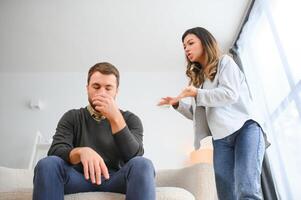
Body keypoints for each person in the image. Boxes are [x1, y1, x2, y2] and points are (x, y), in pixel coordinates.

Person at [158, 27, 267, 200]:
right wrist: (177, 104)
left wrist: (196, 94)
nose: (186, 49)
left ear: (205, 42)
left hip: (245, 130)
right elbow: (196, 115)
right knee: (226, 195)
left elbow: (229, 94)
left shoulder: (225, 62)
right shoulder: (199, 81)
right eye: (184, 46)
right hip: (221, 140)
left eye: (190, 43)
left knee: (247, 190)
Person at [33, 62, 156, 200]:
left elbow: (135, 156)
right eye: (96, 87)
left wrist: (115, 118)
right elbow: (55, 151)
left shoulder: (131, 119)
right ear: (87, 88)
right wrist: (81, 152)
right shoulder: (72, 117)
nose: (101, 93)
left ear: (116, 91)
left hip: (116, 179)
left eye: (108, 88)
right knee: (47, 164)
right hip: (78, 179)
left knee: (144, 164)